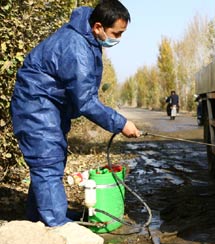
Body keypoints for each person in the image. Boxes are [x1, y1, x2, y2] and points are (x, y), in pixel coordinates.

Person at [10, 0, 140, 227]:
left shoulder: (86, 37)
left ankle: (38, 218)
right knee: (47, 161)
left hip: (49, 105)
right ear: (98, 26)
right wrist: (121, 123)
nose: (118, 39)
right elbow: (86, 101)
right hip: (36, 105)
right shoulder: (76, 46)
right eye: (116, 33)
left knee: (50, 161)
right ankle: (56, 224)